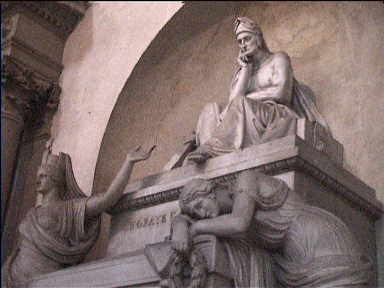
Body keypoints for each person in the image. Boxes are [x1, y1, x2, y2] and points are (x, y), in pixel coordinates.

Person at [171, 170, 372, 287]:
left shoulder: (246, 179)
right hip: (293, 259)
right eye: (196, 214)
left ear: (210, 192)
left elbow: (239, 223)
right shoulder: (221, 218)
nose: (201, 213)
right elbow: (184, 218)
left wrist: (195, 228)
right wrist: (180, 224)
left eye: (199, 206)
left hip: (320, 240)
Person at [3, 140, 155, 288]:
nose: (37, 180)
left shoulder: (70, 209)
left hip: (43, 279)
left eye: (43, 176)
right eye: (38, 176)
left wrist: (128, 162)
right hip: (12, 275)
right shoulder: (32, 213)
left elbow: (107, 199)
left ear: (56, 179)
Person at [186, 17, 329, 164]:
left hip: (275, 114)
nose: (243, 45)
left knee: (242, 103)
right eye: (240, 41)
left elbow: (282, 94)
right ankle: (211, 153)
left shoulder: (278, 59)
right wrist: (246, 70)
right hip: (247, 113)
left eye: (247, 39)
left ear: (258, 39)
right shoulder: (243, 71)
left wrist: (249, 98)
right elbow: (232, 104)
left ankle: (215, 149)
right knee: (210, 109)